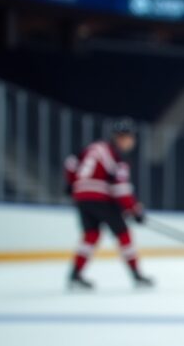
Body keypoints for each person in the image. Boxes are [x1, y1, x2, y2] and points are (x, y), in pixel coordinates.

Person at [64, 119, 154, 290]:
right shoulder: (116, 158)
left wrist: (71, 184)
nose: (131, 142)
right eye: (130, 138)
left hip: (81, 197)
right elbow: (121, 189)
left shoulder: (94, 148)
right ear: (122, 138)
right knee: (123, 233)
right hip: (100, 198)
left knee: (91, 234)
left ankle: (75, 275)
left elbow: (70, 163)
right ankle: (136, 275)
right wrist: (134, 211)